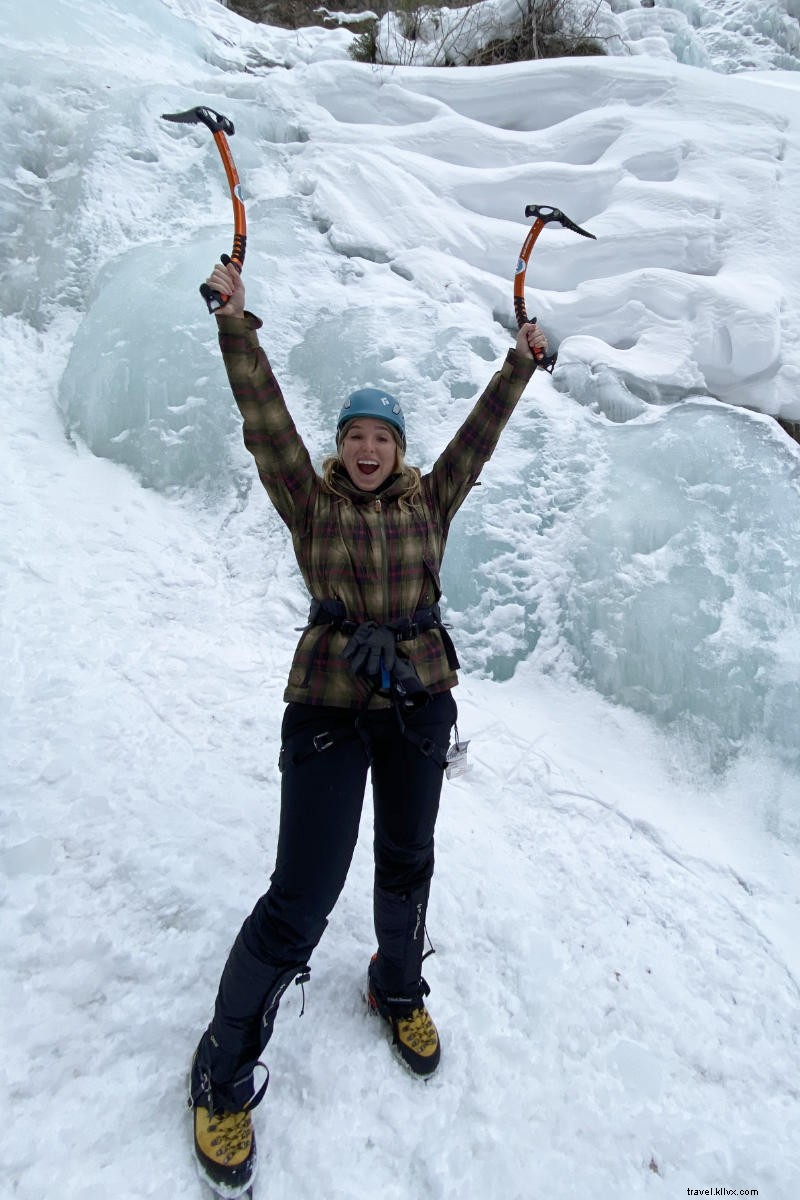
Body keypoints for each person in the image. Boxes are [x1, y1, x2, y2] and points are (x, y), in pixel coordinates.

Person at [188, 260, 548, 1198]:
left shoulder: (431, 498)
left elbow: (481, 435)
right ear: (339, 447)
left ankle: (396, 985)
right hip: (329, 701)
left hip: (421, 696)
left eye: (379, 435)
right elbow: (265, 423)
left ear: (399, 448)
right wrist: (237, 325)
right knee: (302, 892)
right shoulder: (312, 505)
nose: (365, 448)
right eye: (352, 435)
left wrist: (518, 364)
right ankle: (220, 1069)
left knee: (408, 859)